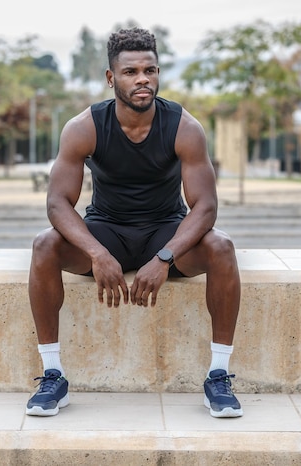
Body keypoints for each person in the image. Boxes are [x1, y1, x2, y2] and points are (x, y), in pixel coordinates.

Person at [26, 27, 243, 419]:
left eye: (150, 69)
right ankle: (52, 375)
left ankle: (219, 375)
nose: (143, 79)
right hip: (106, 230)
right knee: (44, 244)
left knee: (222, 246)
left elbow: (206, 207)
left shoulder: (184, 127)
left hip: (166, 230)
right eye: (131, 72)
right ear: (111, 78)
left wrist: (164, 258)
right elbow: (58, 203)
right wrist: (95, 251)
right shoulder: (83, 127)